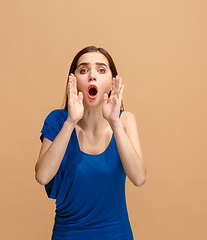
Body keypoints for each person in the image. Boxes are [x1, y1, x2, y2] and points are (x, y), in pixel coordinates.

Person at [35, 46, 146, 239]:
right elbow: (42, 176)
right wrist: (70, 122)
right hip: (68, 235)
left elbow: (138, 178)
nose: (92, 76)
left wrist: (115, 123)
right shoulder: (57, 121)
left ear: (112, 83)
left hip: (116, 234)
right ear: (74, 81)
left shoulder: (126, 121)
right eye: (84, 70)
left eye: (101, 70)